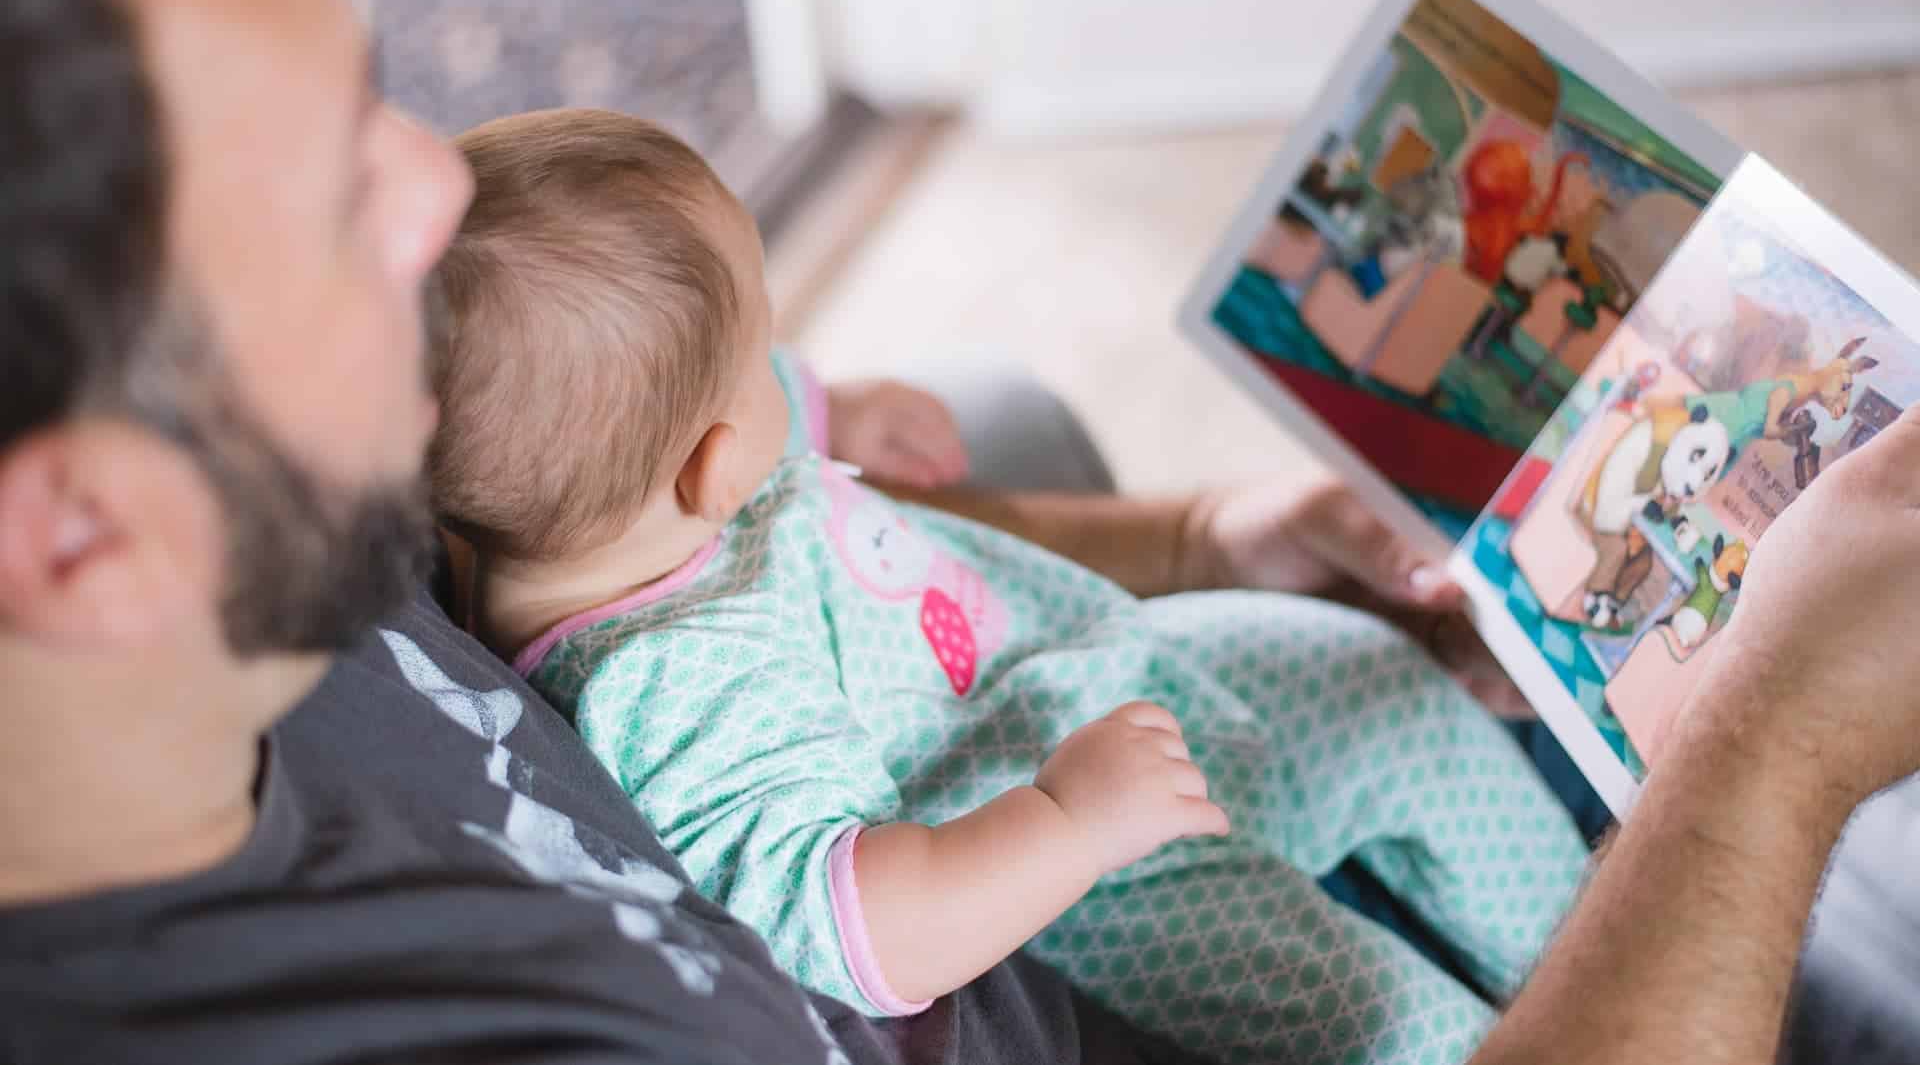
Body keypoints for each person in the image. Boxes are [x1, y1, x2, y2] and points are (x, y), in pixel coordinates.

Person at [2, 0, 1917, 1064]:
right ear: (83, 537)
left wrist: (1191, 535)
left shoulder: (315, 490)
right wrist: (1773, 753)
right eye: (340, 192)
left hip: (1143, 708)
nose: (437, 187)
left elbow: (780, 532)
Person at [426, 107, 1588, 1063]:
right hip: (1107, 869)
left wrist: (836, 406)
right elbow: (857, 924)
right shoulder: (678, 685)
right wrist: (1068, 822)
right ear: (713, 464)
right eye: (764, 349)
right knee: (1390, 1028)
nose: (784, 363)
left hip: (1101, 663)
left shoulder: (616, 496)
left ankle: (1589, 948)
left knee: (1379, 677)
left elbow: (720, 404)